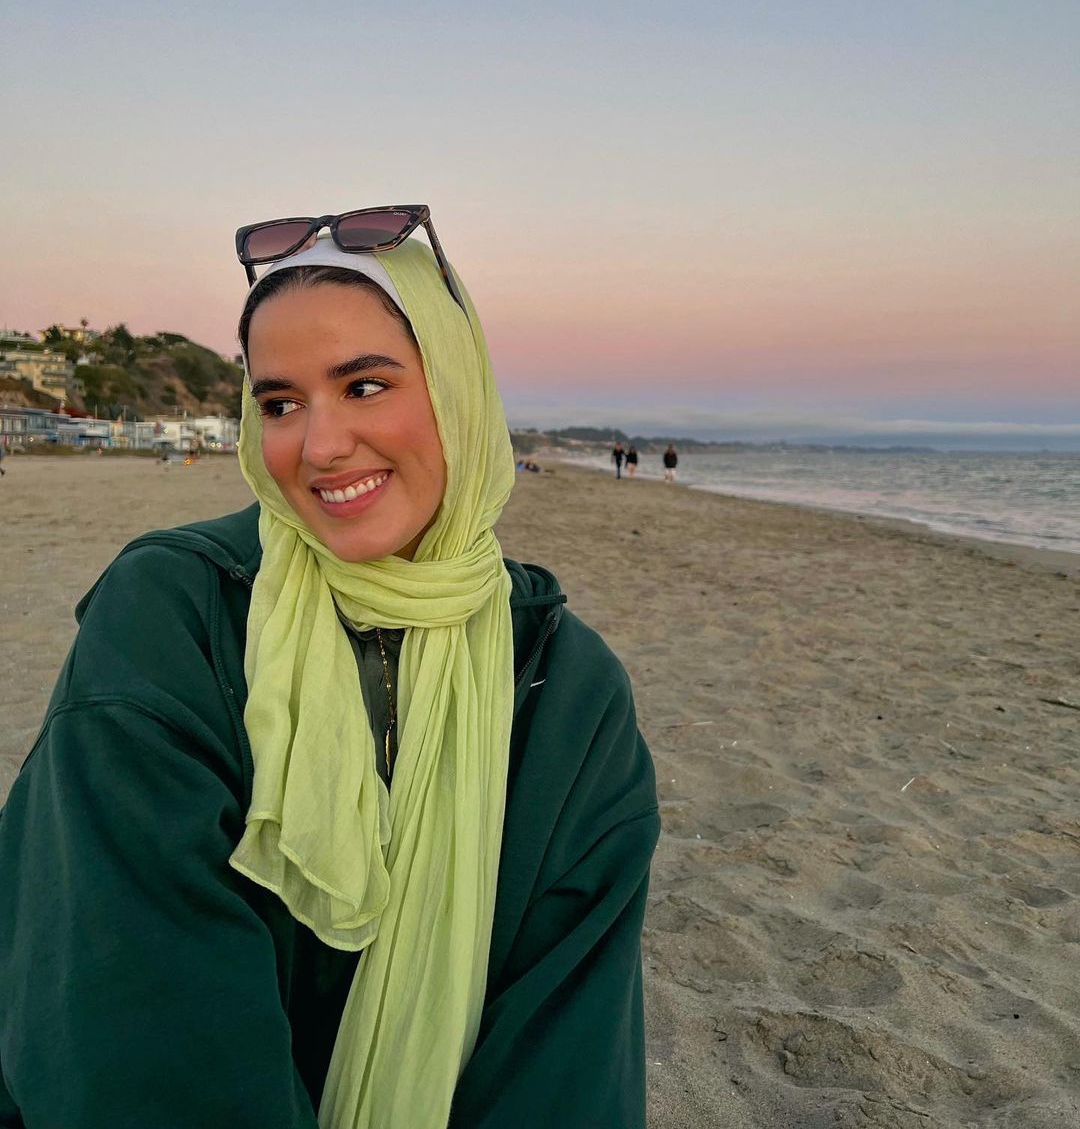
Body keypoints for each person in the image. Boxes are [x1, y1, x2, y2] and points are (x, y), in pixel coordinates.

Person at [0, 207, 659, 1129]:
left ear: (458, 391)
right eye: (279, 404)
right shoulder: (175, 614)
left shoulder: (569, 691)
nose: (319, 446)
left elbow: (567, 1059)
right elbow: (132, 1012)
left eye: (365, 386)